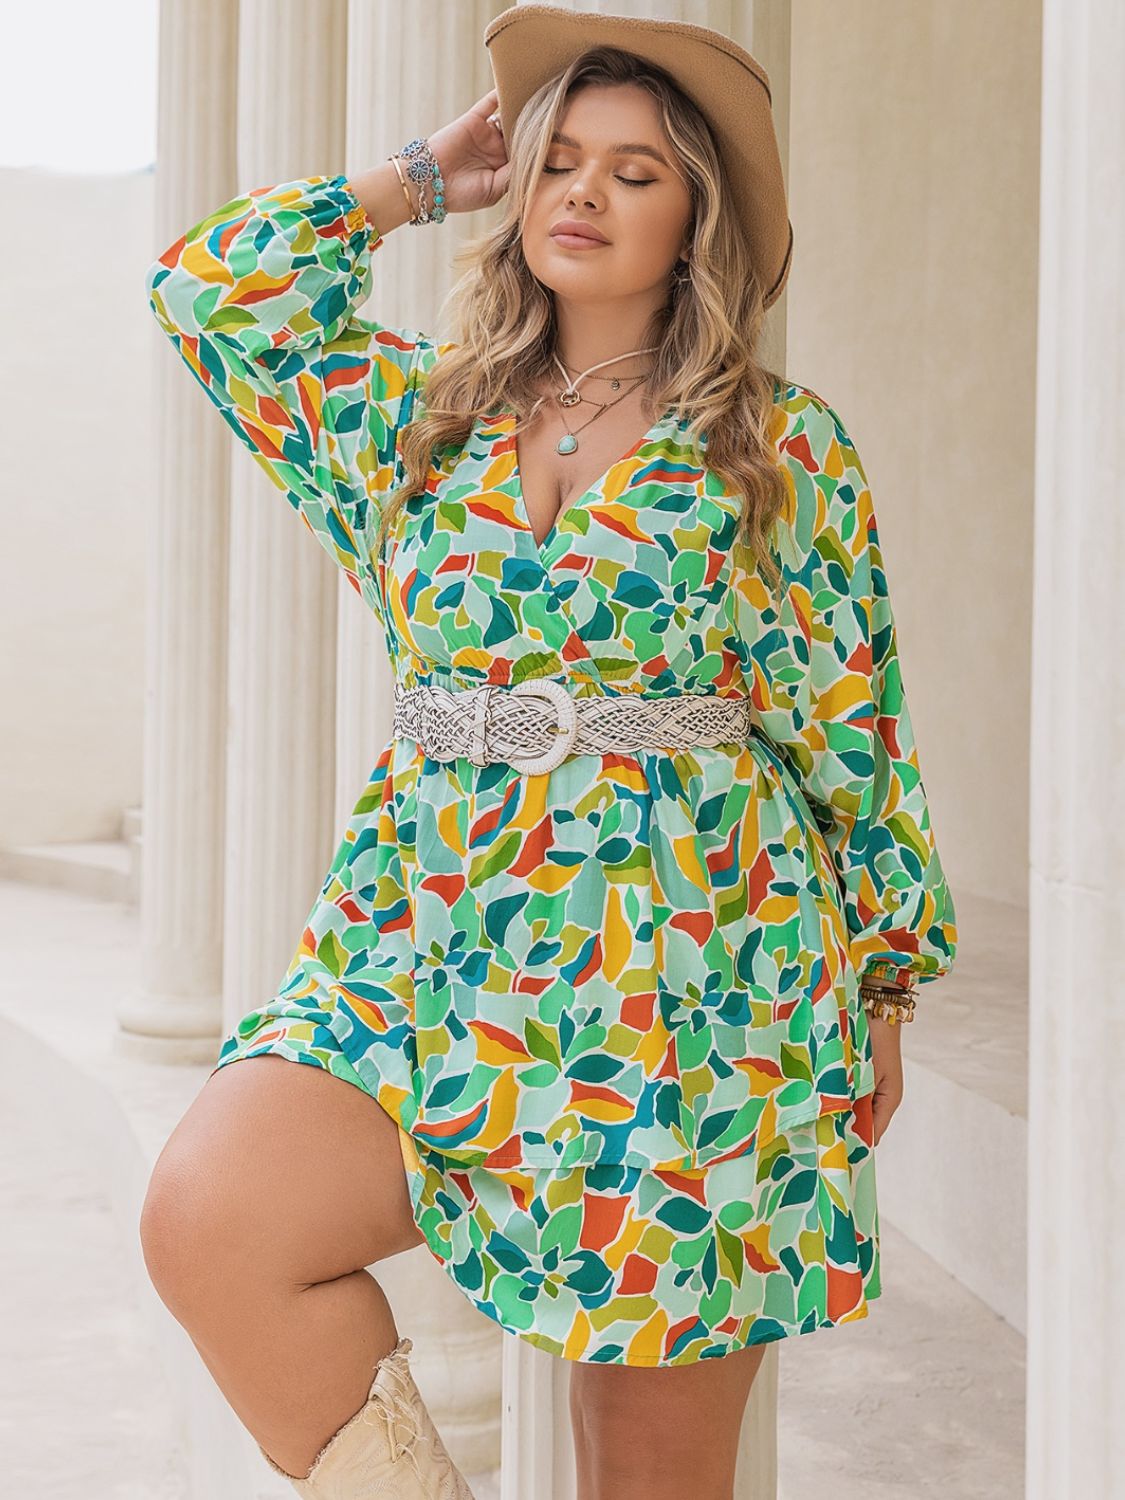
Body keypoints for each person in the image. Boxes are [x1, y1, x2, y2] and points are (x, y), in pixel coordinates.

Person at [138, 7, 957, 1498]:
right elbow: (211, 291)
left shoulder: (779, 448)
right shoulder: (419, 422)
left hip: (697, 968)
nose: (583, 192)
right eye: (559, 160)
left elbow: (853, 724)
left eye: (635, 173)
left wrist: (884, 982)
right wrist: (416, 176)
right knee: (216, 1218)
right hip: (426, 935)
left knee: (644, 1463)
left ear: (697, 219)